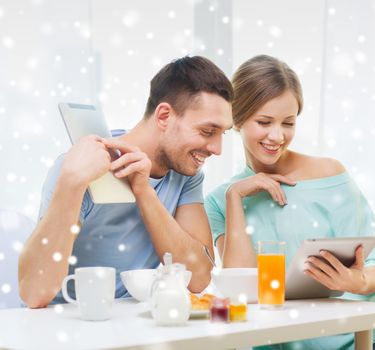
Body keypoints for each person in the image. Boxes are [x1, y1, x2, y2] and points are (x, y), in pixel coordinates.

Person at [205, 55, 375, 350]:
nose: (277, 136)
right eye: (264, 122)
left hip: (362, 339)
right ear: (237, 117)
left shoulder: (330, 174)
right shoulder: (221, 200)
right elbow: (243, 289)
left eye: (288, 123)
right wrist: (235, 197)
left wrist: (353, 281)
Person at [19, 56, 234, 308]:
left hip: (135, 329)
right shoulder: (82, 168)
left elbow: (197, 278)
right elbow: (34, 293)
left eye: (222, 133)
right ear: (164, 115)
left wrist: (143, 191)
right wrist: (72, 182)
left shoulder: (186, 174)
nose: (217, 149)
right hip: (70, 325)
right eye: (207, 132)